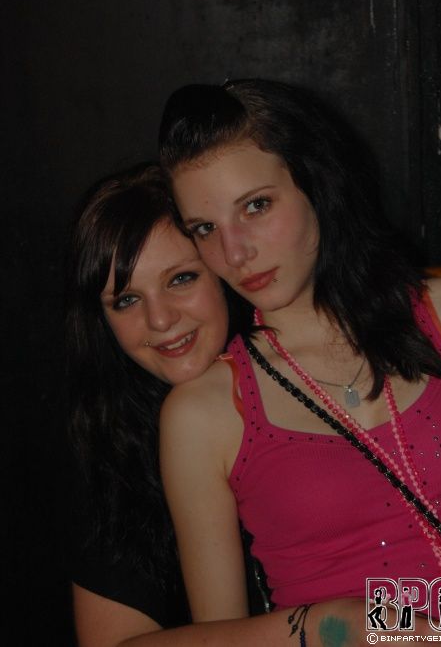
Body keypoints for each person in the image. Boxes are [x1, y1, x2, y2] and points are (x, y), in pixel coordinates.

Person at [158, 78, 441, 630]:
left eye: (256, 206)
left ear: (318, 184)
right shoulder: (205, 414)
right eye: (205, 229)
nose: (234, 252)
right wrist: (388, 630)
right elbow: (224, 640)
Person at [66, 162, 349, 647]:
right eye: (127, 300)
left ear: (224, 272)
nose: (160, 319)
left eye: (180, 279)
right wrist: (323, 628)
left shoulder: (322, 379)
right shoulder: (113, 449)